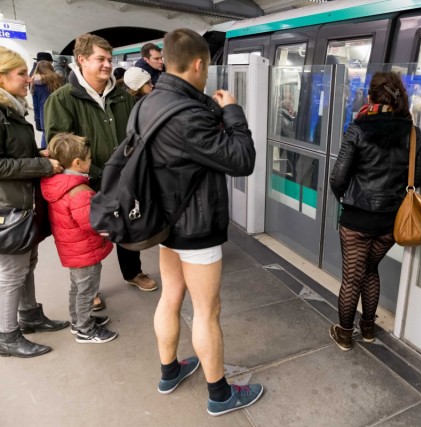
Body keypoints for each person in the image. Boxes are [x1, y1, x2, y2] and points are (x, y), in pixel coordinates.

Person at [137, 28, 263, 415]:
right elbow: (242, 160)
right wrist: (233, 113)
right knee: (207, 310)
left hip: (164, 222)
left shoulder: (149, 102)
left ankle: (169, 370)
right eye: (206, 66)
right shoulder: (190, 114)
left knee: (171, 296)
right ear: (197, 64)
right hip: (196, 225)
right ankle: (220, 393)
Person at [44, 33, 158, 296]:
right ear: (82, 60)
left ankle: (132, 272)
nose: (107, 64)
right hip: (85, 184)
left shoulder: (121, 97)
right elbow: (60, 147)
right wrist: (97, 172)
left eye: (110, 59)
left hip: (123, 180)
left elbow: (135, 133)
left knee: (127, 226)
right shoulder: (62, 100)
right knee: (89, 237)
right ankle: (91, 291)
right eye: (101, 59)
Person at [329, 71, 421, 350]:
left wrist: (345, 199)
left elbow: (337, 178)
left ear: (370, 97)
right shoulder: (413, 133)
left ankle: (345, 335)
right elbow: (418, 177)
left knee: (352, 277)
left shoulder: (358, 128)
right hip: (391, 220)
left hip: (357, 216)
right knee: (371, 270)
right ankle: (369, 330)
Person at [0, 46, 69, 358]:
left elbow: (13, 155)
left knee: (28, 263)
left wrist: (36, 156)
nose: (28, 79)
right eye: (20, 74)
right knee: (12, 273)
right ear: (1, 79)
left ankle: (29, 315)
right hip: (8, 205)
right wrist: (42, 166)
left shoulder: (12, 109)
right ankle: (6, 336)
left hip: (22, 202)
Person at [40, 133, 117, 344]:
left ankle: (78, 321)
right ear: (77, 163)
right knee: (87, 290)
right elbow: (91, 223)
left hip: (73, 249)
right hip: (85, 250)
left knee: (78, 288)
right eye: (89, 159)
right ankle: (85, 329)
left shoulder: (58, 184)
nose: (91, 161)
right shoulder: (79, 191)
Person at [31, 61, 63, 148]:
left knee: (45, 138)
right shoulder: (58, 80)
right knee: (61, 138)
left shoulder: (35, 83)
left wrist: (37, 120)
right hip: (59, 113)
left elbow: (36, 105)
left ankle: (47, 159)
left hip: (44, 115)